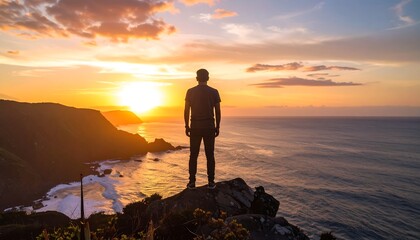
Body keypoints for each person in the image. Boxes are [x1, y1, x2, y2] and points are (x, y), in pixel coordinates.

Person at [184, 69, 221, 189]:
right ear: (208, 78)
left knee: (193, 155)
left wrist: (187, 125)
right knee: (210, 155)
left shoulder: (190, 92)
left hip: (195, 127)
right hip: (209, 127)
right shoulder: (214, 92)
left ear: (197, 78)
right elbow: (218, 111)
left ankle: (192, 182)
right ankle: (211, 182)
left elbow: (186, 110)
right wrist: (217, 126)